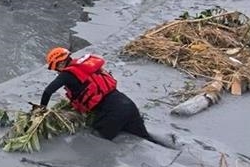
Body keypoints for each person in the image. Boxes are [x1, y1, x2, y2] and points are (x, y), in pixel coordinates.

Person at [39, 47, 175, 148]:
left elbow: (47, 92)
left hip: (112, 113)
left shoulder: (67, 75)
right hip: (127, 103)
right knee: (145, 138)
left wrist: (41, 110)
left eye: (56, 67)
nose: (57, 71)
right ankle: (173, 148)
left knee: (96, 140)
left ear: (60, 64)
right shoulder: (85, 66)